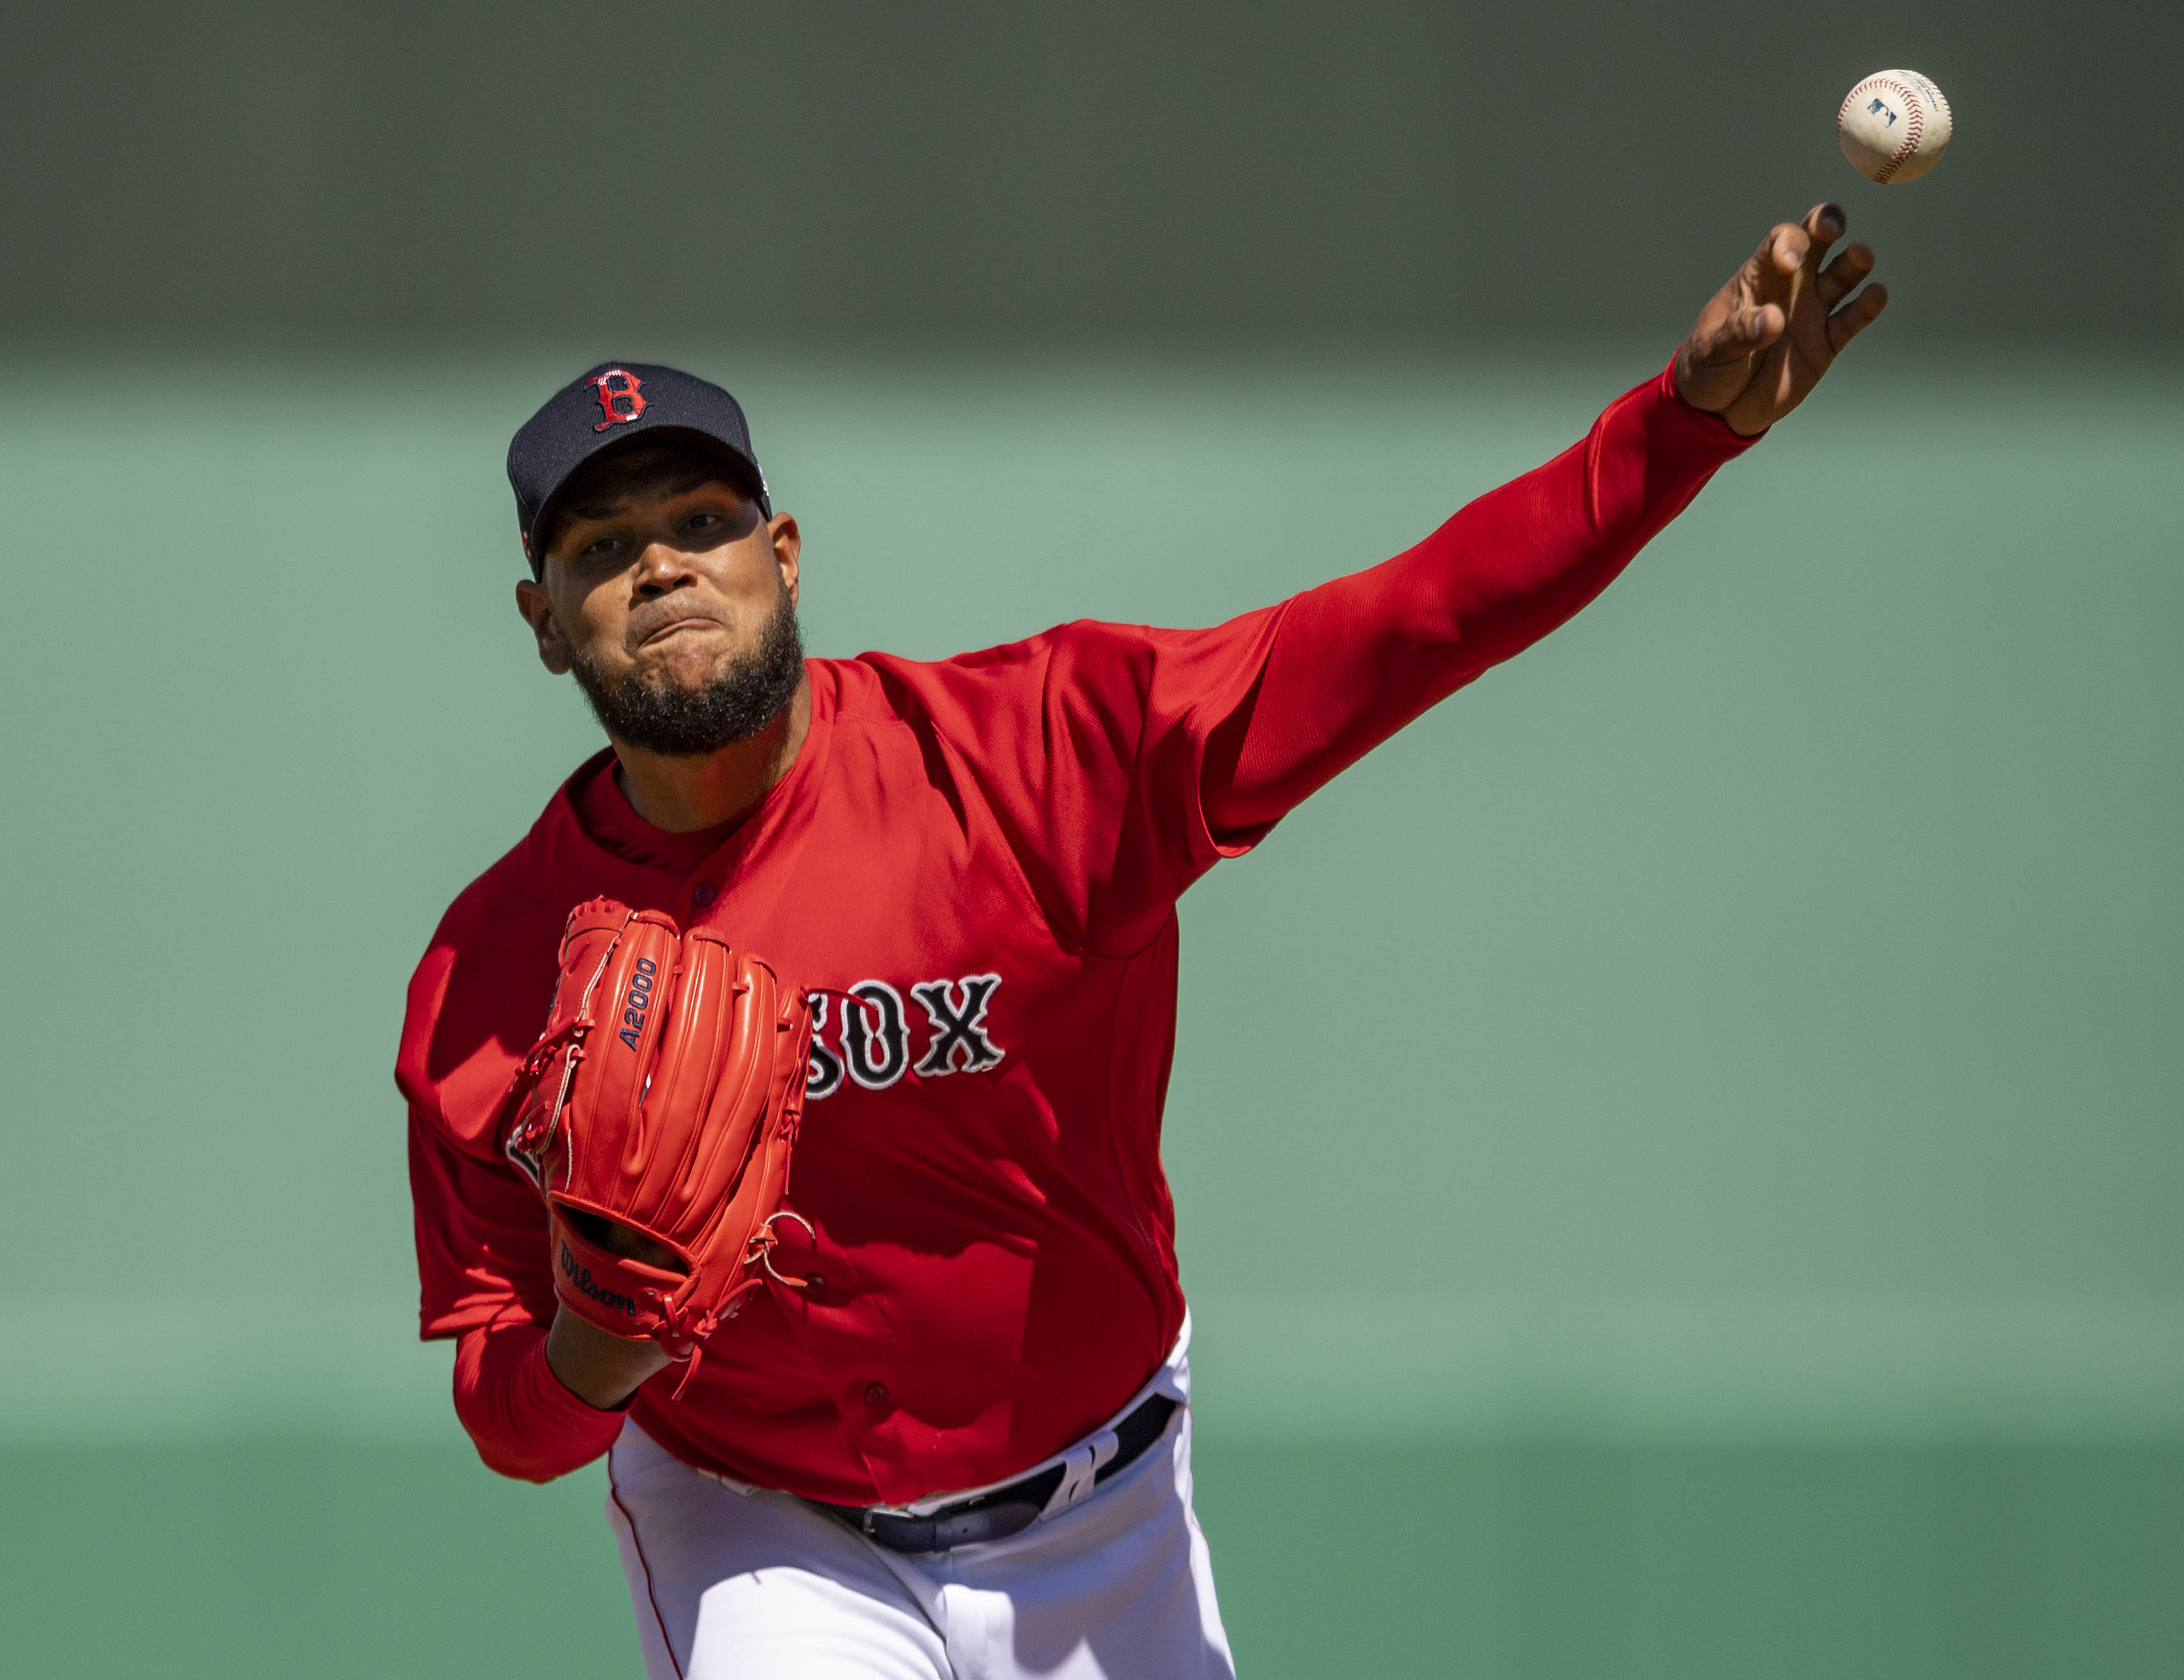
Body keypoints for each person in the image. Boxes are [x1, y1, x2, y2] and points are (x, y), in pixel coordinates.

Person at [399, 203, 1887, 1679]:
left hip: (1098, 1518)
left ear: (783, 553)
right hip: (762, 1528)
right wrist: (596, 1347)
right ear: (545, 619)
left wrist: (1673, 436)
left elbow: (1402, 629)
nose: (663, 566)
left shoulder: (1041, 757)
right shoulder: (496, 974)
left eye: (702, 522)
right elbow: (507, 1418)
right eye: (605, 545)